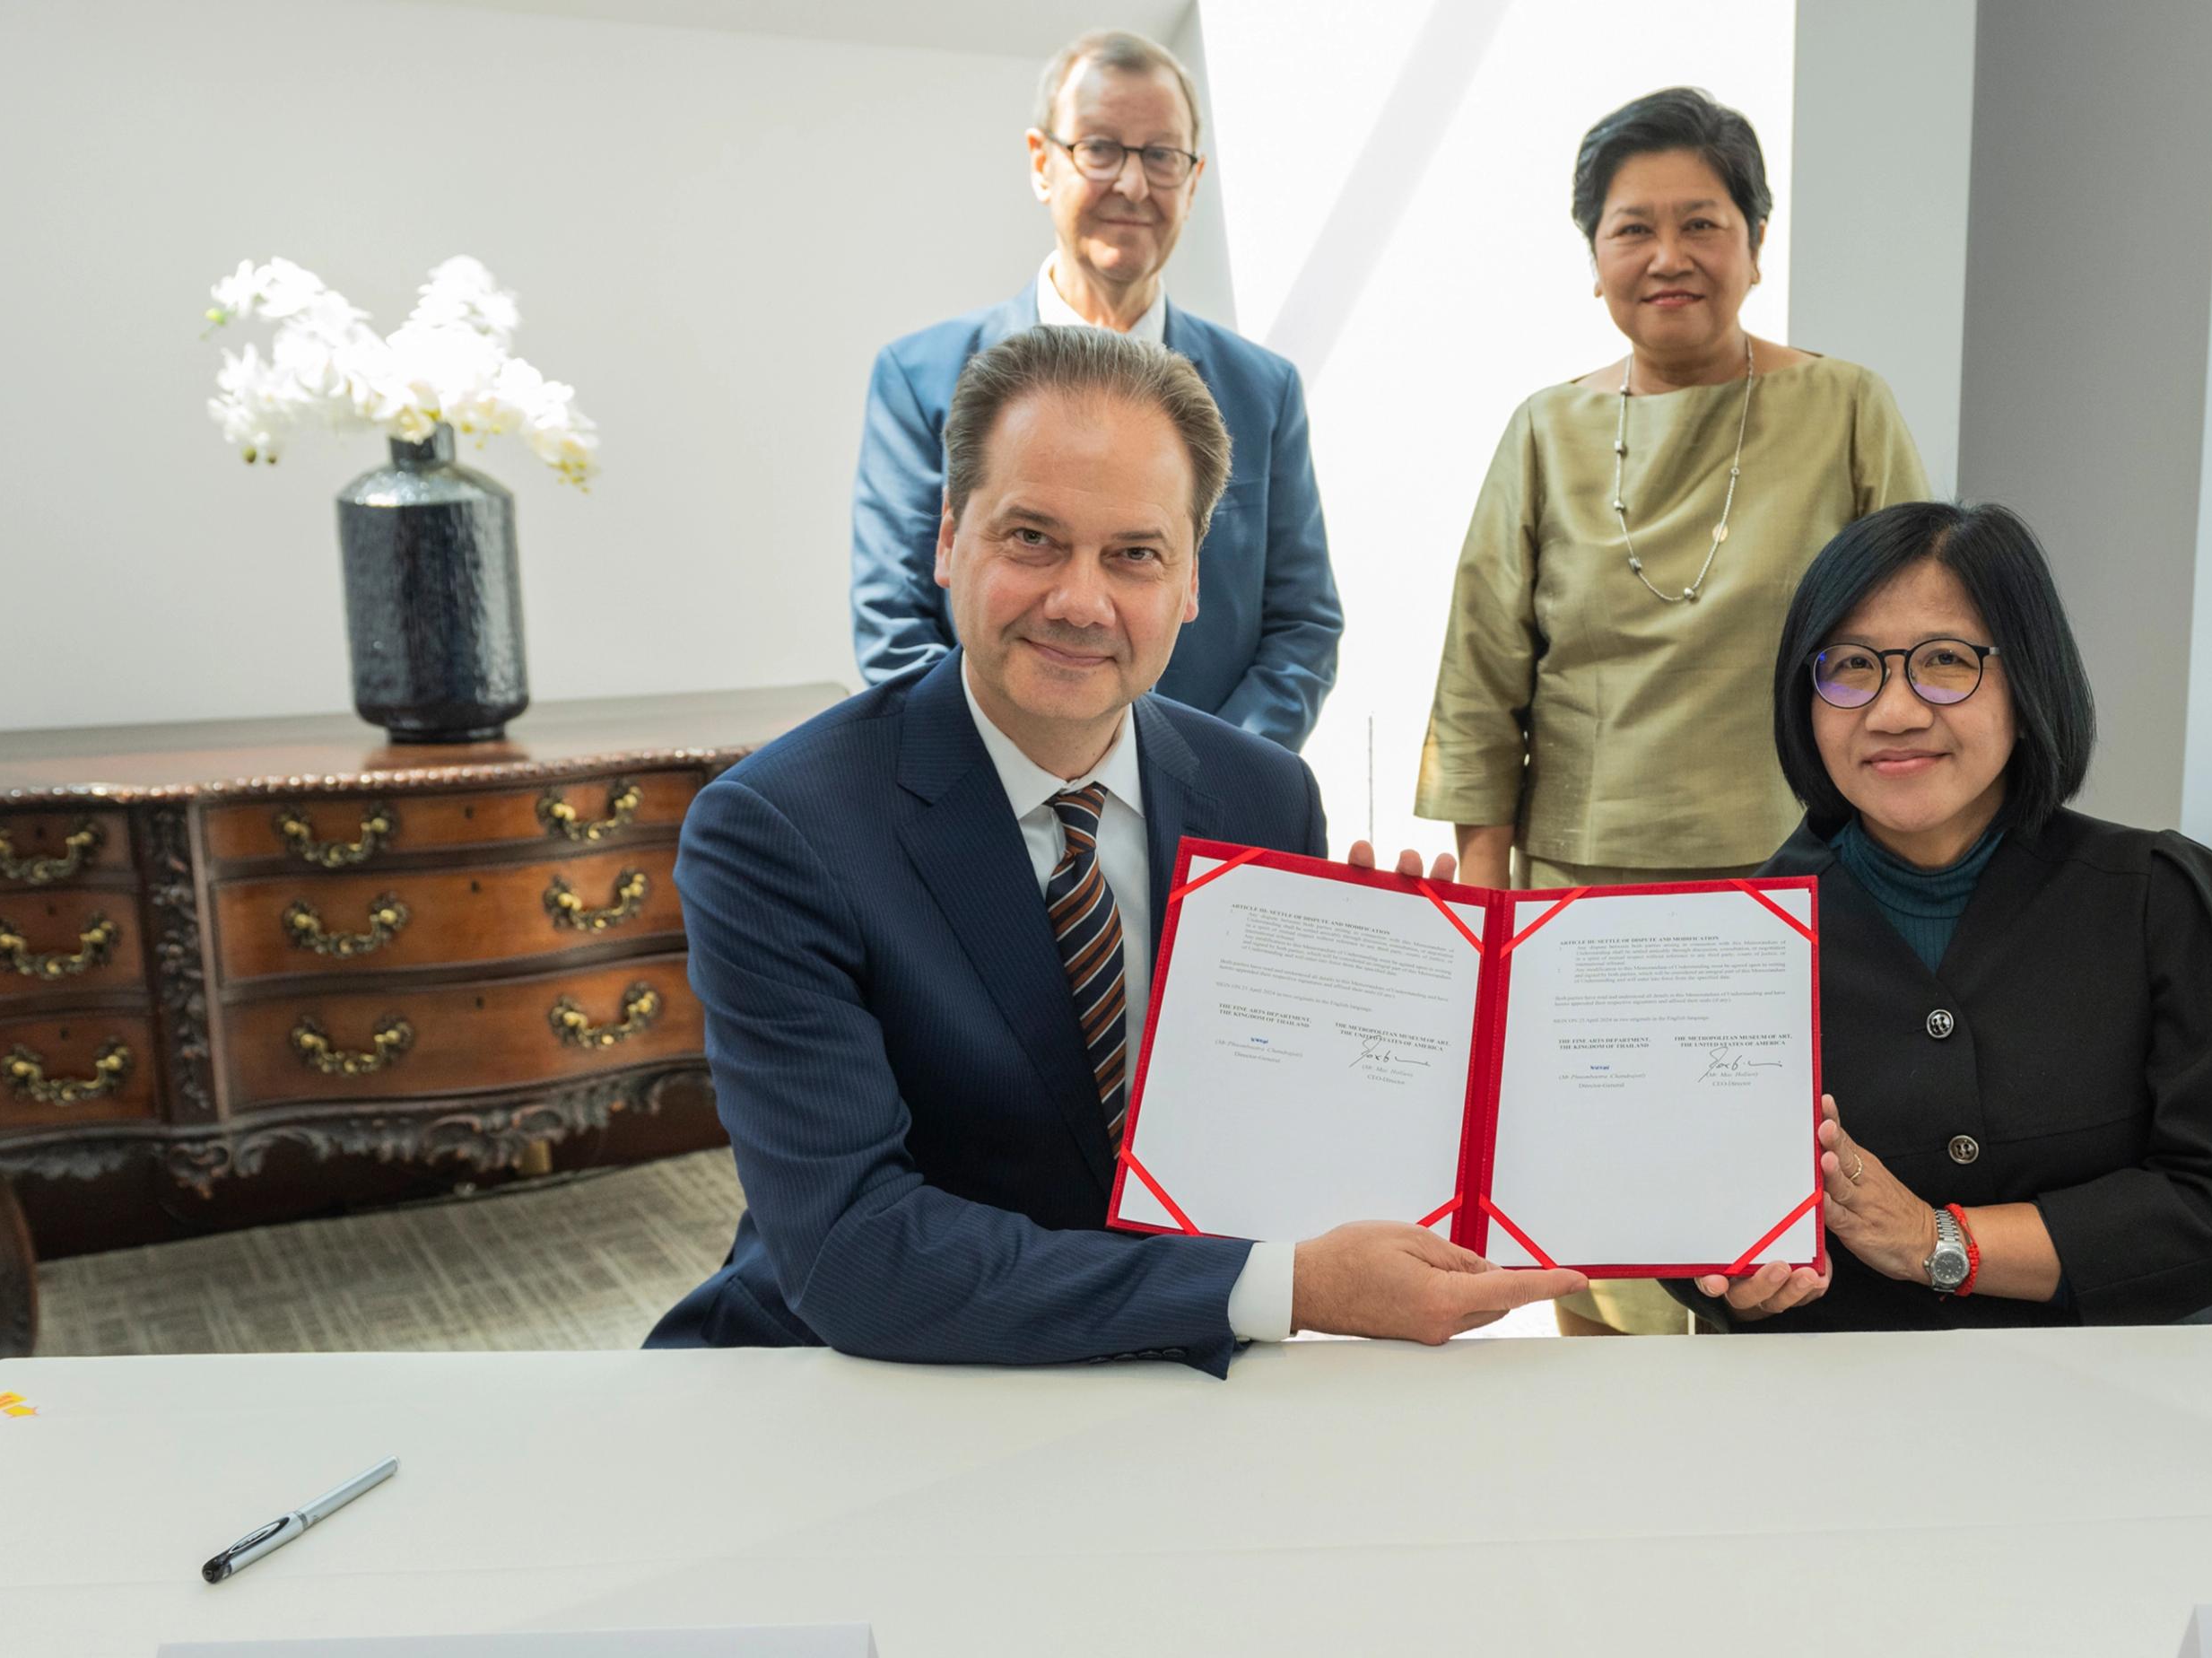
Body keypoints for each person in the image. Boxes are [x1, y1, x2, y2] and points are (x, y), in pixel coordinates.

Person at [652, 327, 1580, 1366]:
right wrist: (1285, 1285)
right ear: (950, 539)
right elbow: (860, 1255)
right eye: (1032, 539)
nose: (1081, 602)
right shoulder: (778, 830)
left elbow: (1266, 1161)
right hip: (855, 1380)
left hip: (1174, 1369)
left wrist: (1385, 1026)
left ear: (1189, 583)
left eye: (1134, 555)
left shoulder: (1263, 796)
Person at [1416, 83, 1928, 1335]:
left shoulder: (1847, 411)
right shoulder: (1543, 432)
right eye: (1632, 228)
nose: (1668, 257)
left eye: (1703, 223)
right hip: (1577, 899)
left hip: (1794, 889)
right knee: (1599, 1235)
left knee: (1771, 1226)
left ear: (1755, 242)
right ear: (1593, 260)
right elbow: (1480, 691)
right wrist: (1486, 930)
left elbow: (1915, 649)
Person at [1674, 502, 2212, 1333]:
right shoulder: (1730, 940)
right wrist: (1717, 1274)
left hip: (2115, 1403)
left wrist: (1938, 1241)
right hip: (1838, 1404)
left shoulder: (2167, 899)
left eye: (1944, 661)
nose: (1893, 710)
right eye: (1852, 667)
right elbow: (1680, 1210)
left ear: (2029, 679)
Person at [849, 30, 1340, 751]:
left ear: (1194, 178)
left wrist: (1196, 782)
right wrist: (1026, 783)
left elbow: (1302, 626)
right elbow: (896, 631)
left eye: (1161, 156)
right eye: (1101, 149)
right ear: (1042, 163)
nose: (1133, 185)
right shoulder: (921, 378)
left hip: (1199, 821)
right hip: (991, 816)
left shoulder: (1263, 391)